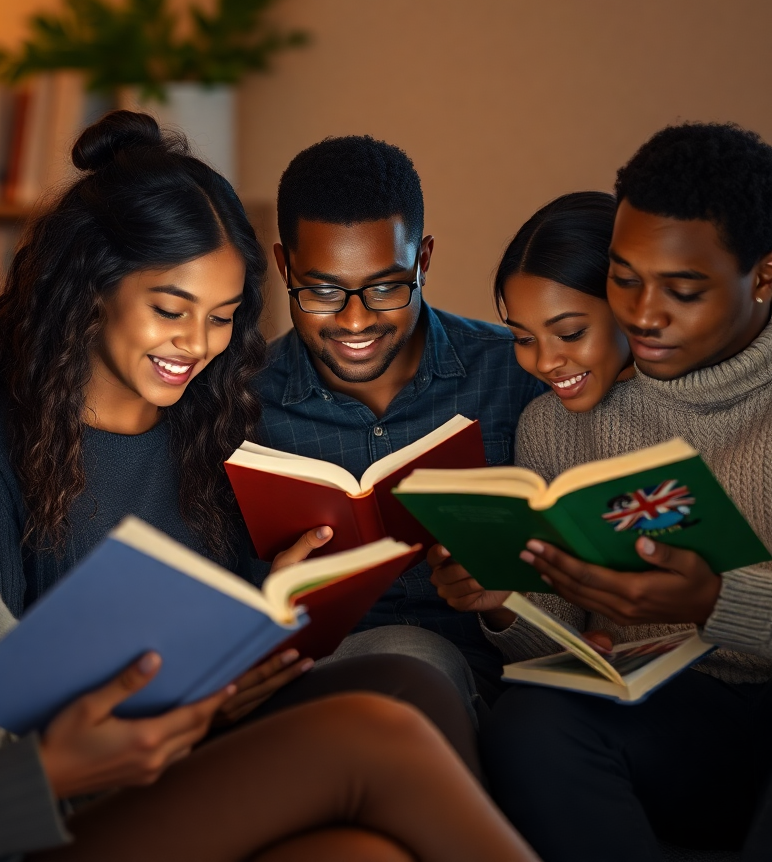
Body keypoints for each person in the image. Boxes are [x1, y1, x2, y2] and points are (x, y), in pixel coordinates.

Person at [0, 135, 541, 862]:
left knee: (365, 842)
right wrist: (56, 763)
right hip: (46, 816)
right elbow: (2, 721)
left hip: (151, 758)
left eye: (223, 318)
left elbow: (4, 687)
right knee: (376, 728)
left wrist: (255, 630)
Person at [0, 111, 486, 749]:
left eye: (221, 318)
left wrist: (276, 599)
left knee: (417, 666)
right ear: (92, 289)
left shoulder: (212, 421)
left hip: (226, 725)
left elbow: (228, 620)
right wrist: (196, 704)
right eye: (171, 310)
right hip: (102, 767)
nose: (197, 344)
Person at [438, 123, 772, 861]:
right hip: (675, 713)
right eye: (625, 279)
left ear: (762, 277)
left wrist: (714, 599)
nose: (645, 314)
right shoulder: (553, 428)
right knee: (529, 722)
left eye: (681, 290)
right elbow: (558, 634)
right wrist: (506, 601)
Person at [254, 135, 547, 695]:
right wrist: (270, 602)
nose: (356, 321)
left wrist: (506, 597)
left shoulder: (515, 373)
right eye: (323, 291)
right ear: (284, 265)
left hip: (494, 681)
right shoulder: (240, 404)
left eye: (386, 287)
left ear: (423, 260)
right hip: (324, 689)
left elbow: (571, 598)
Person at [429, 190, 634, 633]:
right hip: (613, 671)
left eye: (570, 333)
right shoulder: (544, 425)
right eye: (523, 339)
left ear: (631, 306)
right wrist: (503, 602)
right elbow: (559, 641)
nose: (545, 362)